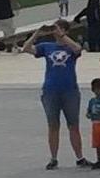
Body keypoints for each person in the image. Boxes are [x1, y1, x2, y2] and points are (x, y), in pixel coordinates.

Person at [25, 23, 87, 169]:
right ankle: (53, 157)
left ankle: (80, 157)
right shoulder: (47, 46)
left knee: (73, 125)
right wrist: (37, 34)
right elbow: (27, 49)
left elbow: (78, 49)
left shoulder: (70, 47)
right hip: (50, 90)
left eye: (59, 28)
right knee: (53, 125)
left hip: (69, 90)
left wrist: (63, 36)